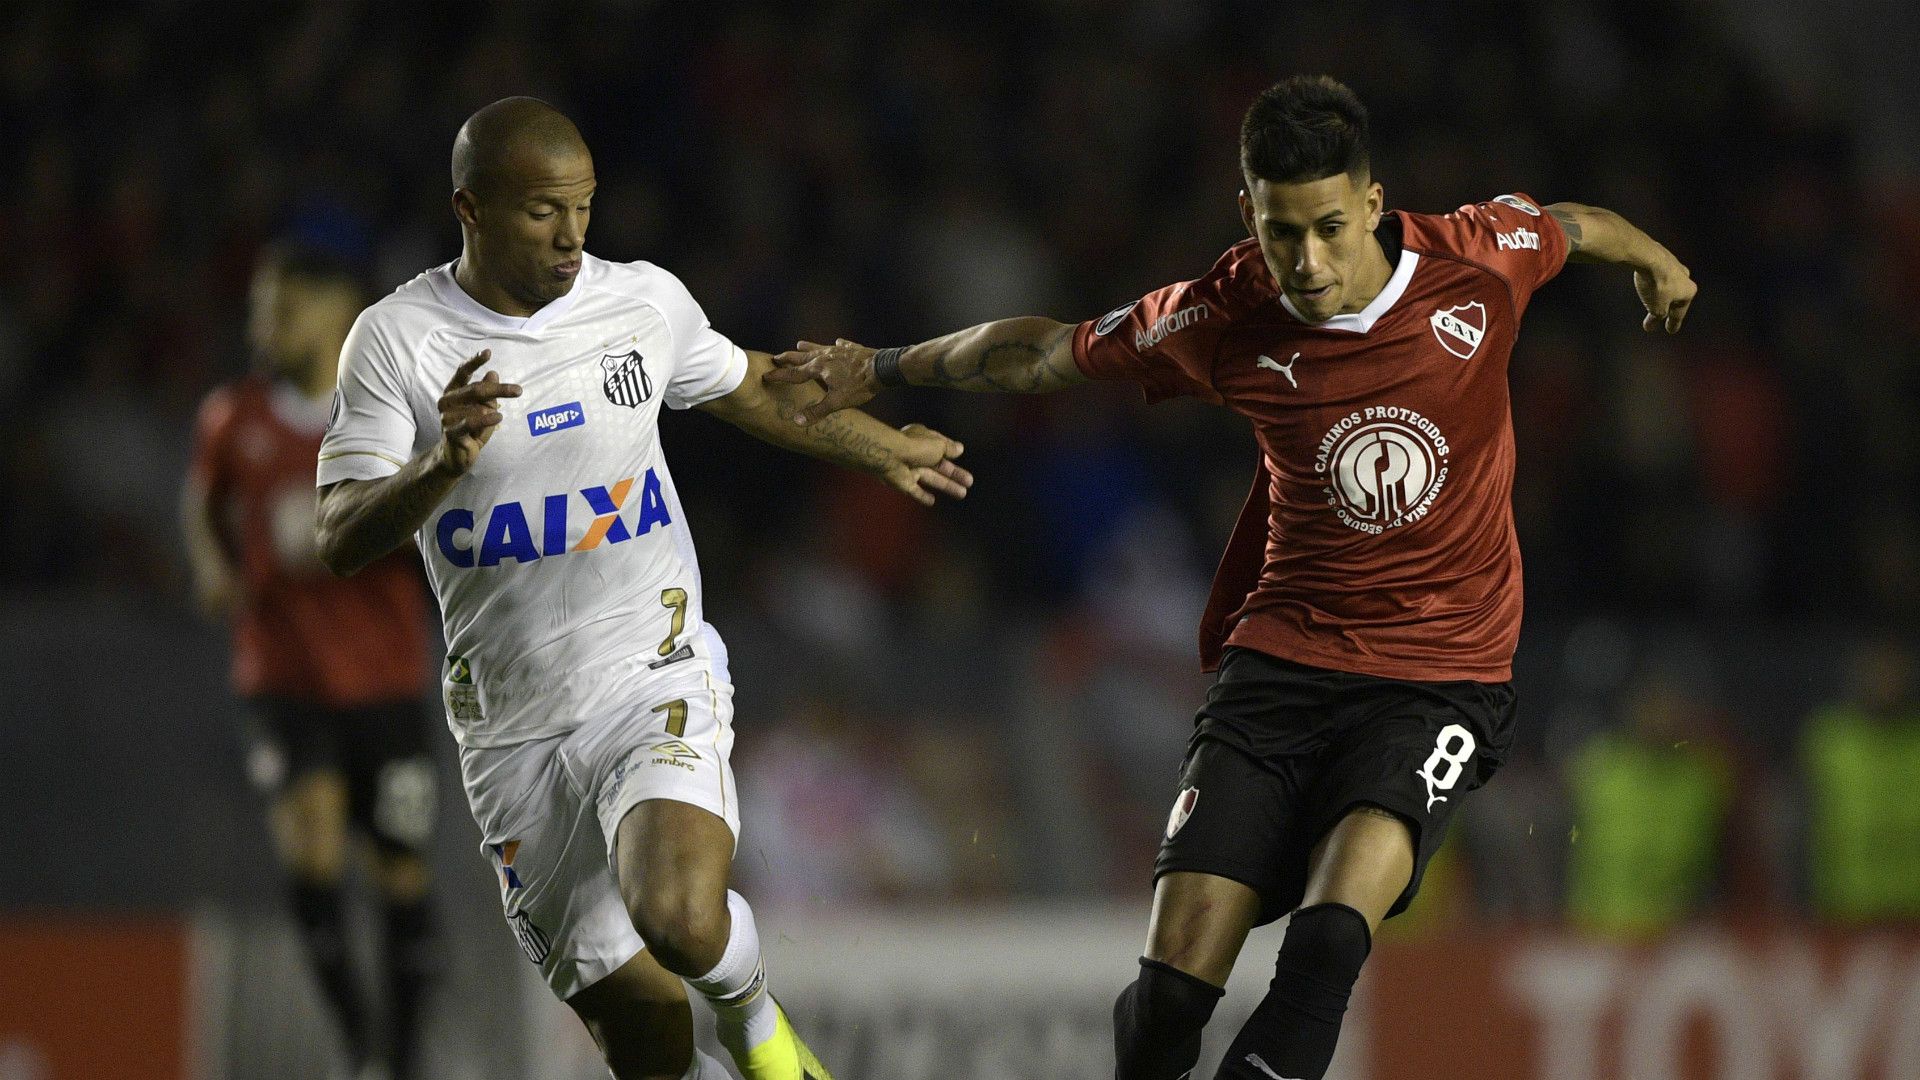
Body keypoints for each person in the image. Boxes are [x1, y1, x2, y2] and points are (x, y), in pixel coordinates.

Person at [767, 74, 1697, 1080]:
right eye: (1280, 230)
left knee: (1335, 935)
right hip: (1281, 669)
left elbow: (1568, 224)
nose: (1306, 260)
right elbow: (1040, 355)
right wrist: (884, 364)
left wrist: (1658, 260)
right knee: (1173, 989)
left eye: (1330, 228)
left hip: (1440, 675)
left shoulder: (1474, 263)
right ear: (1246, 212)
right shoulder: (1221, 314)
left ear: (1375, 204)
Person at [314, 97, 970, 1080]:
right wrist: (440, 466)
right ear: (472, 208)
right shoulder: (397, 342)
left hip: (648, 674)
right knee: (651, 1056)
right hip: (512, 735)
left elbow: (750, 384)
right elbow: (339, 534)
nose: (573, 234)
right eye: (543, 211)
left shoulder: (640, 303)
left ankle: (757, 1027)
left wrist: (878, 448)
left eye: (583, 206)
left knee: (678, 915)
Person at [183, 245, 442, 1080]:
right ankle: (361, 1048)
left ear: (339, 315)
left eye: (285, 308)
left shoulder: (387, 413)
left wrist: (382, 535)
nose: (268, 325)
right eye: (261, 308)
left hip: (386, 680)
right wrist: (213, 563)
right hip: (283, 678)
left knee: (401, 872)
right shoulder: (233, 416)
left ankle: (402, 1060)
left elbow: (438, 514)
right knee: (314, 851)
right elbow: (203, 497)